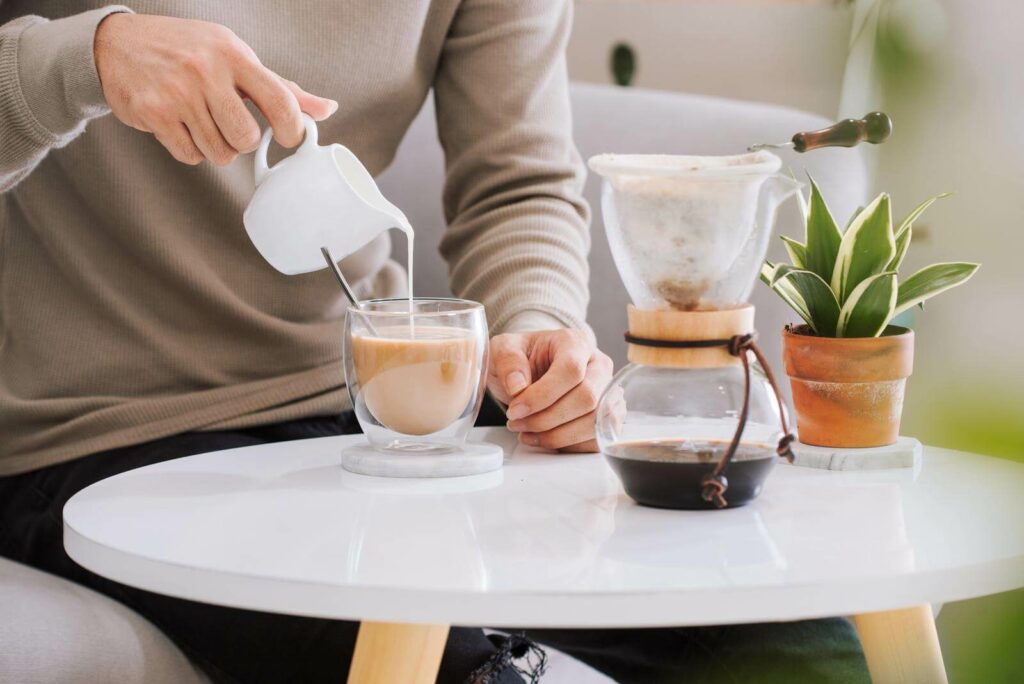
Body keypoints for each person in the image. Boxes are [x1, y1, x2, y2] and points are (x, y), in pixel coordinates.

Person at [0, 2, 869, 682]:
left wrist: (537, 326)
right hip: (104, 436)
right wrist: (86, 59)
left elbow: (517, 180)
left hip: (384, 417)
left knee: (795, 637)